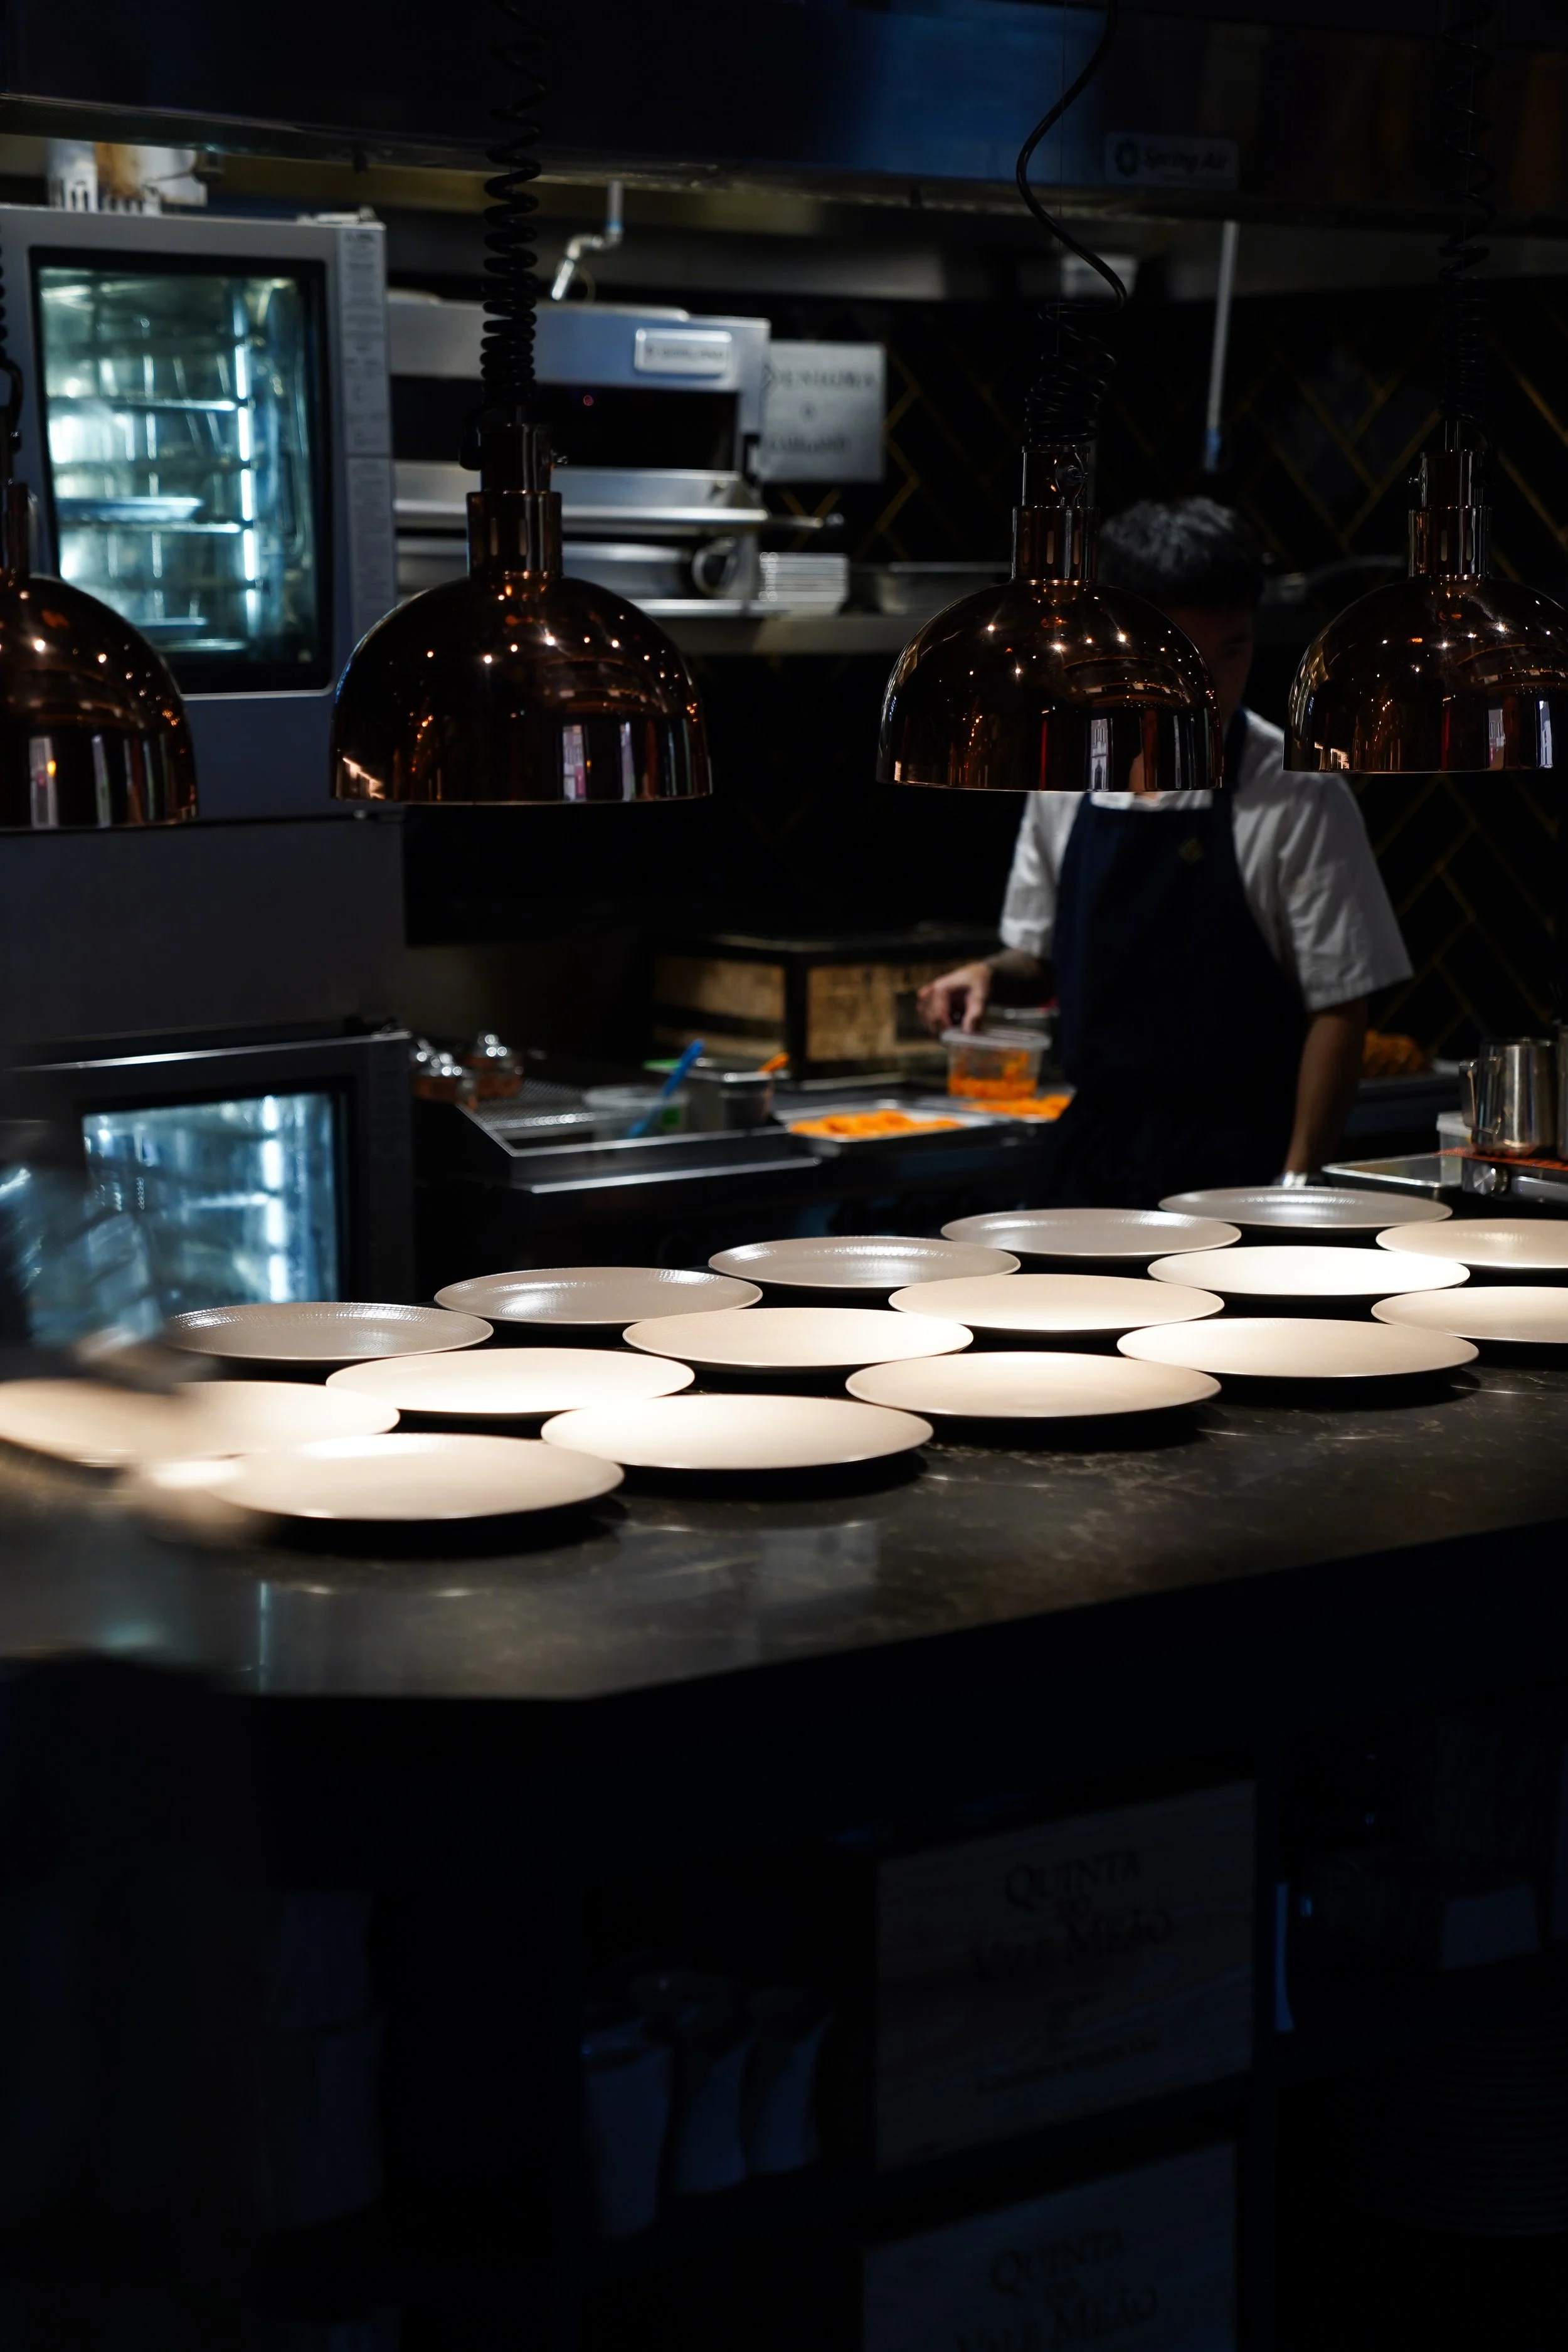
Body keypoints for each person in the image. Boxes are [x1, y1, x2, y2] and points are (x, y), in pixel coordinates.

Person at [917, 498, 1412, 1206]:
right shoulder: (1069, 771)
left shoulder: (1297, 789)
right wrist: (988, 977)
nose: (1208, 686)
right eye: (1183, 657)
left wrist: (1295, 1188)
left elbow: (1338, 1009)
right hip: (1093, 1157)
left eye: (1232, 652)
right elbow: (1040, 958)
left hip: (1238, 1165)